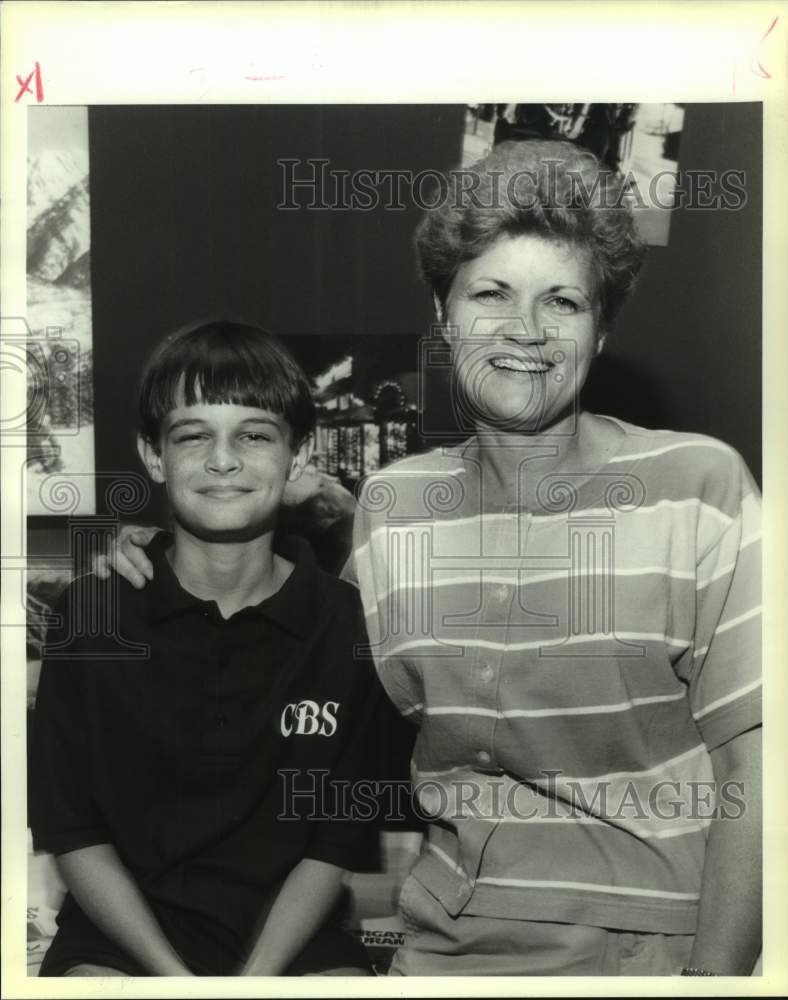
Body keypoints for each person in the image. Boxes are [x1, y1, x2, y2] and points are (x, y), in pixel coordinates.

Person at [101, 141, 762, 977]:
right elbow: (300, 663)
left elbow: (759, 764)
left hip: (646, 950)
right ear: (444, 315)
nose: (525, 330)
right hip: (437, 947)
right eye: (492, 293)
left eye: (563, 301)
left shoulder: (700, 486)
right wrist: (156, 557)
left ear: (602, 331)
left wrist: (716, 983)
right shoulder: (394, 505)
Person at [30, 320, 395, 977]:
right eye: (192, 435)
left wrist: (250, 987)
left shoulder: (351, 628)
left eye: (254, 435)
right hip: (123, 942)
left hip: (293, 939)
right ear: (152, 455)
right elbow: (74, 835)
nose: (222, 460)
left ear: (300, 456)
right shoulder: (90, 619)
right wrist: (177, 984)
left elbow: (331, 847)